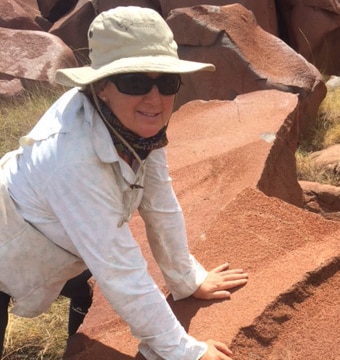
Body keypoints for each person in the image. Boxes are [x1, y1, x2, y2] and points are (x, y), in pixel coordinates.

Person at [0, 6, 248, 360]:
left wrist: (186, 280)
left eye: (166, 81)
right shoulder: (72, 158)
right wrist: (184, 351)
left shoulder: (138, 126)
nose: (155, 99)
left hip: (53, 235)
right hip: (6, 244)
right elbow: (120, 270)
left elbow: (160, 203)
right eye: (134, 82)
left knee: (84, 292)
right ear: (101, 86)